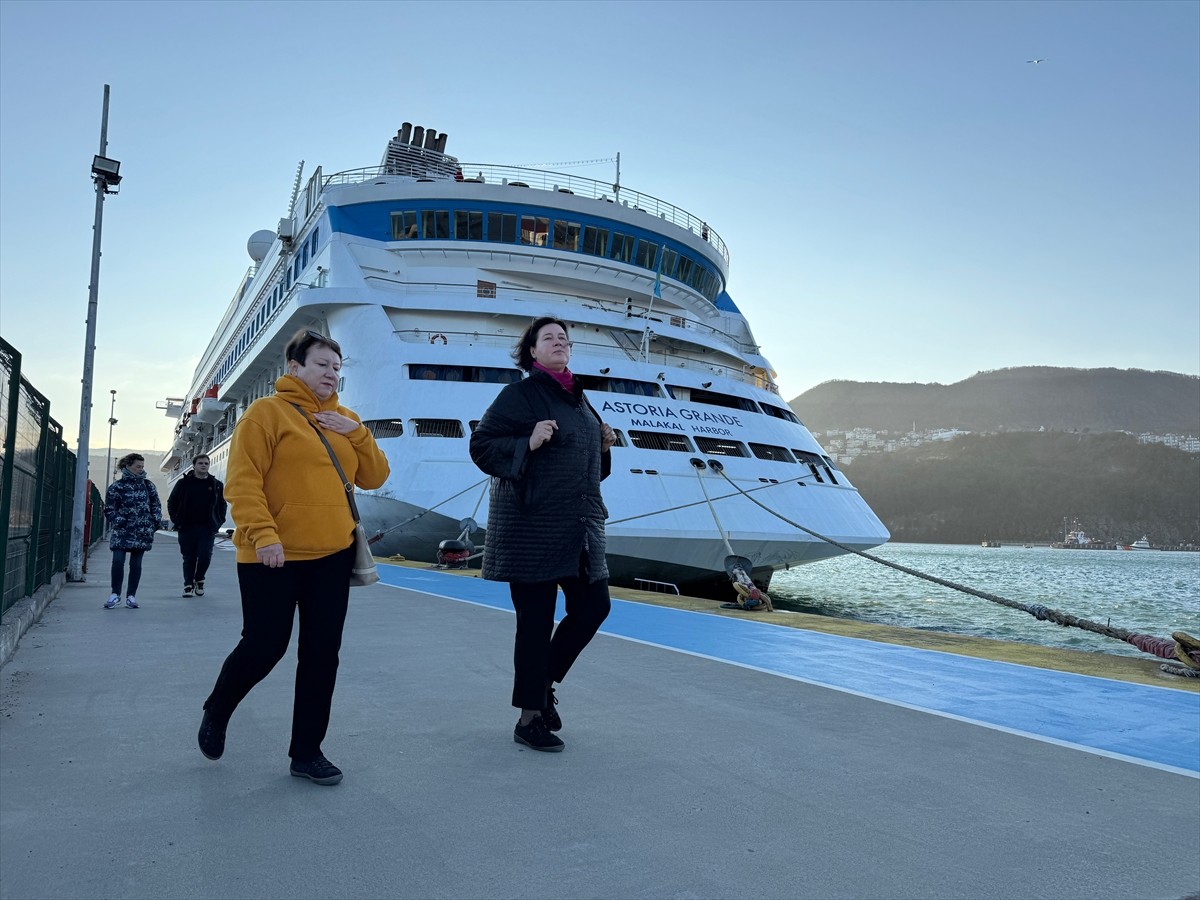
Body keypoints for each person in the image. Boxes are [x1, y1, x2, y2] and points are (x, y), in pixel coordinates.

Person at [197, 328, 389, 786]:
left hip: (332, 556)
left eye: (337, 368)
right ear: (295, 368)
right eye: (322, 365)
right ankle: (218, 708)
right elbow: (243, 483)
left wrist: (358, 433)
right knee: (265, 646)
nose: (331, 375)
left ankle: (307, 751)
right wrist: (263, 535)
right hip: (271, 554)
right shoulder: (267, 414)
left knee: (323, 654)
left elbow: (376, 477)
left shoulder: (345, 419)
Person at [469, 316, 616, 752]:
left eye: (564, 339)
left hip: (580, 527)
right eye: (549, 337)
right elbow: (481, 445)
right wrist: (527, 442)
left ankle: (542, 685)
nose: (559, 342)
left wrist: (603, 446)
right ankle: (529, 719)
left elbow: (588, 468)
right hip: (531, 527)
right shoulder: (521, 394)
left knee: (594, 607)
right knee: (534, 624)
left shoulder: (578, 400)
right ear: (531, 351)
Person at [103, 452, 162, 609]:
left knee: (136, 565)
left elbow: (156, 505)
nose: (141, 469)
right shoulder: (117, 487)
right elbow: (109, 509)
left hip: (142, 531)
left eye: (142, 467)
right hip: (122, 531)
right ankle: (115, 594)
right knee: (118, 561)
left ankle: (131, 596)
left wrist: (154, 521)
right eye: (138, 466)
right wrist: (120, 521)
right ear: (127, 466)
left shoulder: (148, 486)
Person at [167, 453, 227, 597]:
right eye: (200, 463)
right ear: (194, 465)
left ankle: (199, 578)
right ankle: (188, 584)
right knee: (189, 557)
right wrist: (176, 519)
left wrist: (219, 521)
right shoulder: (183, 483)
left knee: (205, 555)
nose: (204, 465)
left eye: (206, 463)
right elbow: (172, 502)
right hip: (186, 526)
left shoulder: (216, 484)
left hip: (207, 527)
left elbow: (222, 504)